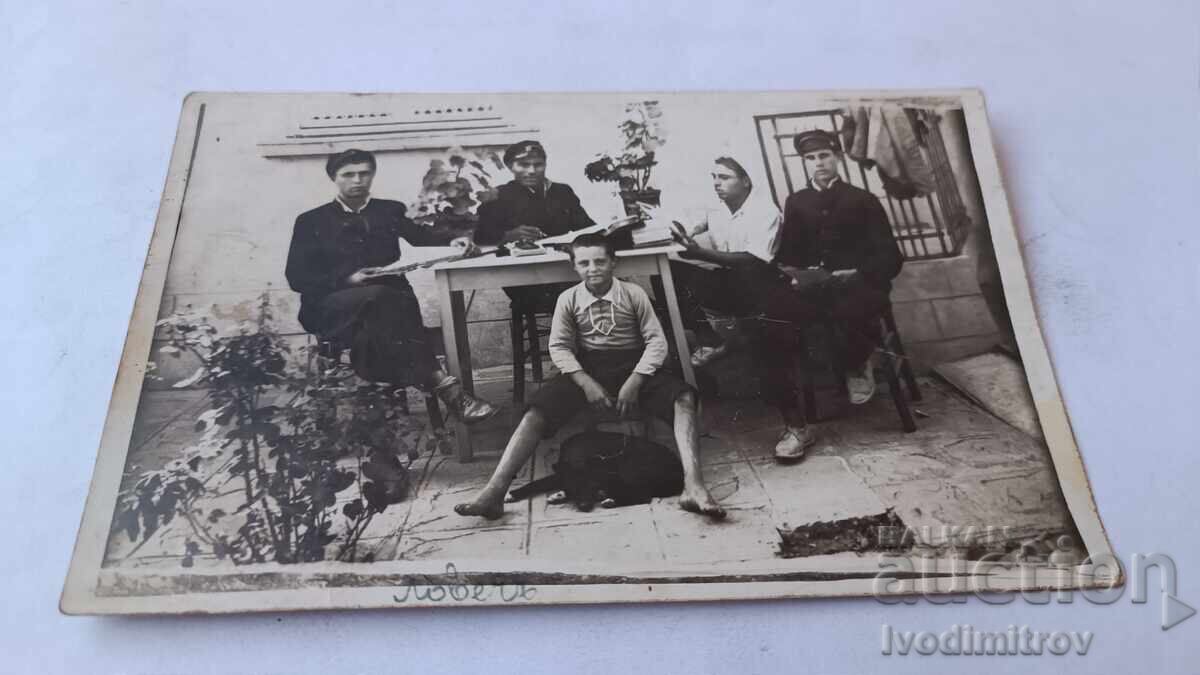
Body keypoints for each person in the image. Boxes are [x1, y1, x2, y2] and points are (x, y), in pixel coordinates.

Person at [454, 233, 725, 521]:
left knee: (683, 397)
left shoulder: (633, 295)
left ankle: (693, 486)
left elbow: (656, 342)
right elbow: (558, 346)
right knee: (537, 410)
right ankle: (495, 492)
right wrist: (585, 382)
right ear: (574, 267)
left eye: (599, 261)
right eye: (584, 263)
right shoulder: (568, 299)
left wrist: (635, 380)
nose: (592, 268)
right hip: (589, 368)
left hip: (634, 365)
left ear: (613, 263)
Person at [285, 148, 497, 423]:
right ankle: (442, 385)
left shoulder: (388, 210)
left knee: (374, 329)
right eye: (348, 174)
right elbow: (297, 278)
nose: (358, 180)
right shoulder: (311, 220)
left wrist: (452, 242)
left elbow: (422, 236)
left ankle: (379, 417)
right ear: (333, 178)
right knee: (382, 297)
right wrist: (348, 279)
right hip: (332, 305)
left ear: (373, 175)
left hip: (387, 307)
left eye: (364, 173)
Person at [669, 156, 783, 368]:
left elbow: (753, 260)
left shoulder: (765, 211)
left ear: (746, 181)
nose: (716, 183)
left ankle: (735, 340)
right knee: (668, 272)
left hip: (761, 285)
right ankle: (708, 337)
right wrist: (683, 231)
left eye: (724, 177)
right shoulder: (720, 208)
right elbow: (698, 224)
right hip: (730, 280)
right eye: (714, 177)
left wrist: (700, 253)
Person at [474, 140, 597, 313]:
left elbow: (586, 227)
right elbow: (478, 235)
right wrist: (507, 236)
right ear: (510, 166)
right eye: (523, 165)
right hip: (523, 279)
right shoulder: (497, 196)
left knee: (612, 291)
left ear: (545, 164)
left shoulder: (562, 192)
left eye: (538, 165)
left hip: (565, 270)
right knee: (594, 297)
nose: (531, 171)